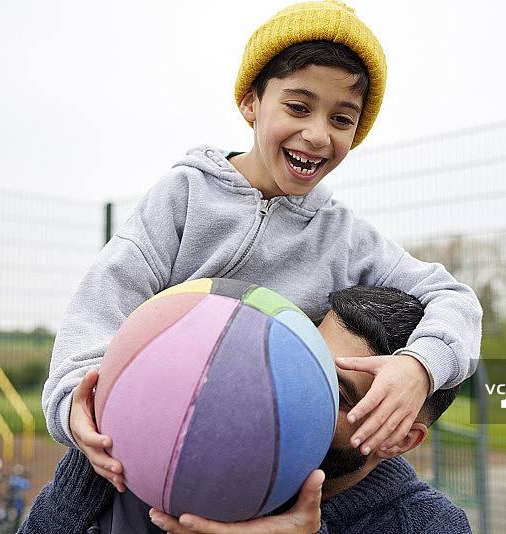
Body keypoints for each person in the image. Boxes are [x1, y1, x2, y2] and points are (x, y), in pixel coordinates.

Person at [43, 0, 481, 505]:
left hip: (256, 470)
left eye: (342, 118)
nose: (317, 134)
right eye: (298, 107)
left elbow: (453, 297)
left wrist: (419, 365)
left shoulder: (344, 236)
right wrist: (72, 399)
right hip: (142, 454)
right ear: (251, 102)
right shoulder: (183, 197)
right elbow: (102, 303)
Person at [19, 285, 471, 534]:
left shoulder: (429, 526)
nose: (300, 396)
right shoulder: (151, 442)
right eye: (305, 364)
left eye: (340, 396)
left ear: (401, 439)